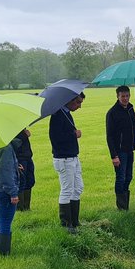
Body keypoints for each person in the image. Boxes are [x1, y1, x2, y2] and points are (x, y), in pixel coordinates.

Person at [49, 92, 85, 232]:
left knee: (78, 188)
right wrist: (73, 134)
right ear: (69, 100)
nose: (79, 106)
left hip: (73, 157)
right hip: (63, 158)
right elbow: (56, 138)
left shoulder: (66, 114)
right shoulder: (57, 115)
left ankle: (75, 221)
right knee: (67, 190)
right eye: (78, 102)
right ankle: (66, 225)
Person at [105, 85, 135, 210]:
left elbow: (133, 128)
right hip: (119, 151)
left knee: (129, 176)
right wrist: (114, 156)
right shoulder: (112, 113)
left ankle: (125, 205)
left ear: (130, 95)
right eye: (122, 96)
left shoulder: (131, 109)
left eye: (127, 96)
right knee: (120, 178)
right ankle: (121, 207)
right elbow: (109, 136)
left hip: (129, 149)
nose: (125, 99)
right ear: (117, 96)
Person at [14, 129, 35, 211]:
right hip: (20, 157)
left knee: (29, 181)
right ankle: (20, 208)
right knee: (21, 181)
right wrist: (24, 135)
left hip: (27, 156)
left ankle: (27, 207)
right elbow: (14, 142)